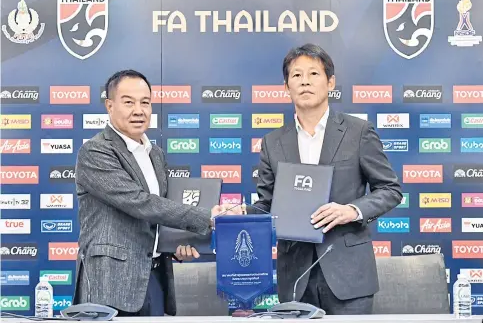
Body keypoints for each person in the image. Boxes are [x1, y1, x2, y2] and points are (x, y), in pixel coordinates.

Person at [73, 69, 241, 316]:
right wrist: (207, 218)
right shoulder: (95, 152)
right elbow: (139, 203)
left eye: (145, 102)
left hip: (154, 279)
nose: (138, 110)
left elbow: (160, 215)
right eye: (128, 102)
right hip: (110, 284)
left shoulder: (156, 154)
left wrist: (179, 242)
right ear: (110, 106)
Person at [251, 44, 403, 314]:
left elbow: (390, 189)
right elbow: (267, 204)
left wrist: (351, 211)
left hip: (349, 276)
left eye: (313, 73)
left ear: (330, 82)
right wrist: (236, 216)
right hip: (295, 277)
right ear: (286, 86)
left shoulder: (358, 132)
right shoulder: (272, 143)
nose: (305, 81)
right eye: (296, 76)